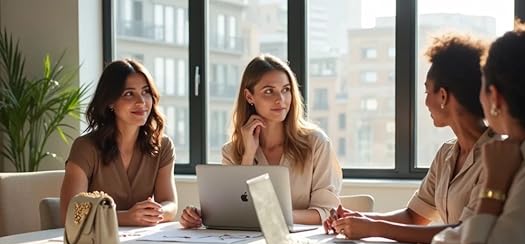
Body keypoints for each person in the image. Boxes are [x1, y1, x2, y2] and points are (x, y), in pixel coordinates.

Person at [392, 22, 525, 244]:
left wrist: (493, 187)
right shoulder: (518, 156)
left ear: (494, 96)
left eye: (482, 87)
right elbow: (456, 240)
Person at [324, 34, 492, 244]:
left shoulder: (497, 156)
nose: (425, 102)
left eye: (426, 91)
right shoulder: (447, 153)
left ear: (443, 96)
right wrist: (358, 219)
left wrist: (374, 228)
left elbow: (464, 232)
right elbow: (413, 217)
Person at [180, 54, 342, 228]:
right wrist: (248, 156)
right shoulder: (232, 151)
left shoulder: (316, 143)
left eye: (286, 90)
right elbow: (232, 210)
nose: (280, 99)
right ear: (249, 97)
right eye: (268, 91)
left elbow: (325, 212)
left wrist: (273, 214)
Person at [60, 59, 178, 227]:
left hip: (143, 243)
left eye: (145, 92)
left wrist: (156, 212)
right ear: (110, 102)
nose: (141, 101)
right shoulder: (85, 147)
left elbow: (170, 204)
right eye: (129, 94)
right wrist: (126, 218)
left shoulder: (163, 145)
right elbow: (69, 214)